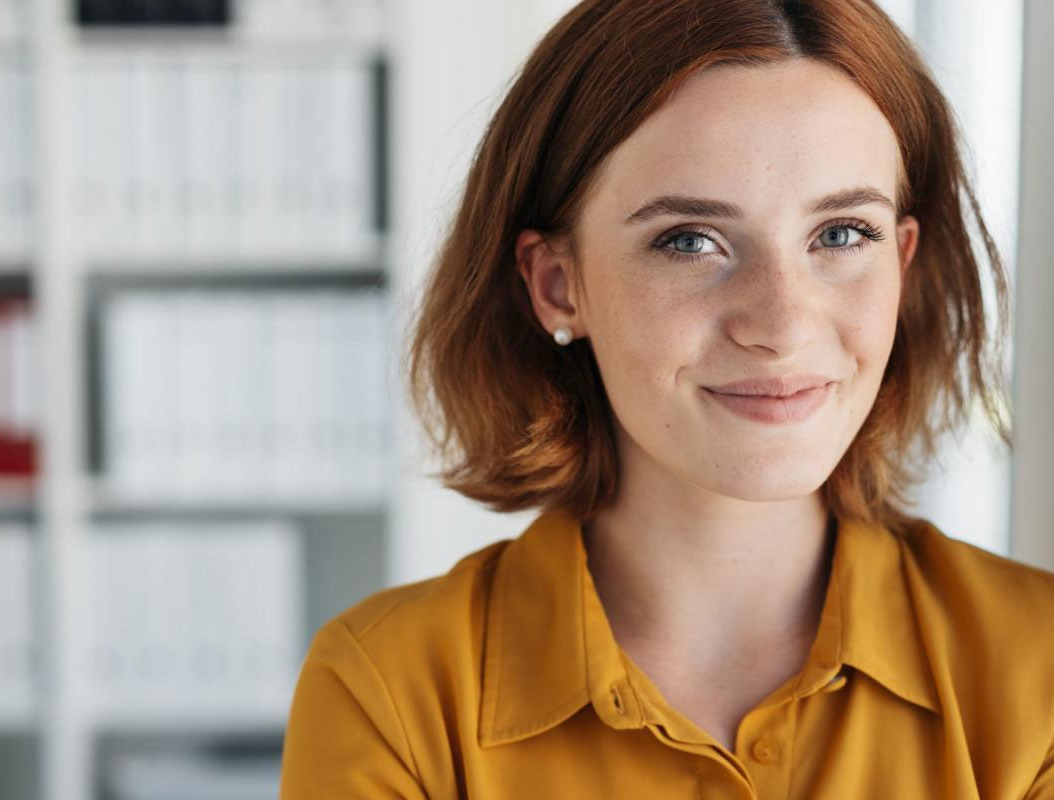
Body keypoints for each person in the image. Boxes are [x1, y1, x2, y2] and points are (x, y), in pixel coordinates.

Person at [279, 0, 1054, 796]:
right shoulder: (389, 694)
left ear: (904, 260)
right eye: (689, 240)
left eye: (842, 234)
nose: (782, 326)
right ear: (558, 285)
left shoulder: (1040, 675)